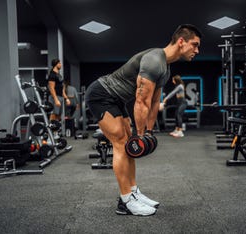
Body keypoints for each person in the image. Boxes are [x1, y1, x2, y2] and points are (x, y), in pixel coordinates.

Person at [85, 24, 201, 216]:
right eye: (194, 45)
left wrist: (148, 132)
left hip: (117, 99)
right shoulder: (155, 60)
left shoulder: (166, 67)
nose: (197, 50)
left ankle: (133, 192)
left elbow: (155, 102)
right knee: (122, 145)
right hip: (101, 95)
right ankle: (125, 202)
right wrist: (140, 135)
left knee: (129, 144)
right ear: (181, 42)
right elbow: (141, 102)